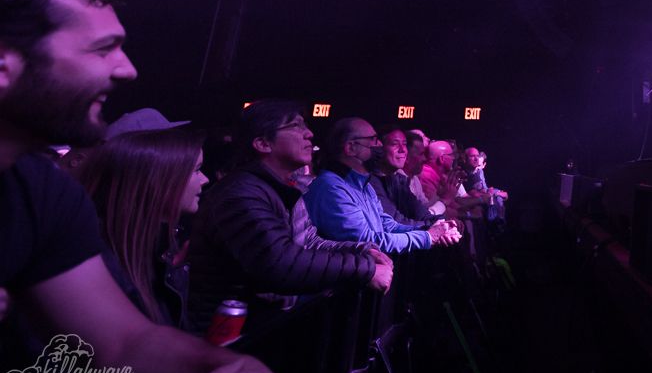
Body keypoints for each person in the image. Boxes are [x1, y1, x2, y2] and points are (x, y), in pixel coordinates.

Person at [0, 0, 292, 373]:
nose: (128, 70)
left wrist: (232, 370)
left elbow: (119, 344)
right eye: (103, 49)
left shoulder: (38, 191)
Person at [187, 101, 392, 332]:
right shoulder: (241, 194)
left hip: (263, 325)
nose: (309, 133)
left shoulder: (283, 187)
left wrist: (360, 250)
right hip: (229, 338)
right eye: (296, 126)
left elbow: (309, 242)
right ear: (263, 143)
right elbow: (280, 263)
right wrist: (364, 269)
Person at [78, 127, 208, 329]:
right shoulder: (96, 259)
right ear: (155, 182)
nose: (205, 179)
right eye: (197, 170)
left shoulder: (160, 243)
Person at [305, 118, 460, 254]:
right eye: (373, 140)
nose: (379, 145)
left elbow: (388, 224)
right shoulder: (331, 187)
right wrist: (428, 236)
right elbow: (367, 241)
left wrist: (433, 227)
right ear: (351, 148)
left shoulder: (363, 185)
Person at [369, 126, 431, 226]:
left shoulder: (398, 180)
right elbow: (396, 222)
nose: (402, 150)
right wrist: (434, 227)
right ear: (380, 147)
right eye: (395, 144)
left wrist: (442, 222)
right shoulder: (371, 181)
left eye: (404, 144)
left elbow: (420, 212)